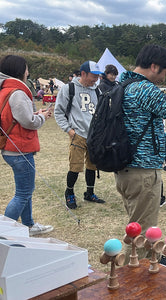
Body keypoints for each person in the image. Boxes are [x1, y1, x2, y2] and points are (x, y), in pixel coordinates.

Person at [115, 44, 166, 262]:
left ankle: (153, 259)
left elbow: (143, 128)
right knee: (141, 229)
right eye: (165, 73)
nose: (163, 78)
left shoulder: (123, 85)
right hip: (142, 170)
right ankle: (139, 273)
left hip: (126, 169)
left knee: (138, 222)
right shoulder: (143, 88)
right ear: (154, 66)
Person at [0, 55, 54, 236]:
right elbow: (28, 122)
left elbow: (17, 116)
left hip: (12, 148)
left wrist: (34, 114)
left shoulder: (6, 90)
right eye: (26, 68)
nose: (28, 72)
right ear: (20, 70)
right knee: (23, 192)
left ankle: (28, 225)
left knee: (25, 190)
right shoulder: (17, 92)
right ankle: (5, 233)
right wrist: (42, 117)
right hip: (19, 149)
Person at [55, 61, 106, 209]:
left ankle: (89, 192)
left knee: (92, 165)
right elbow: (59, 112)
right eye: (93, 76)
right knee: (75, 167)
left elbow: (101, 113)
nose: (96, 79)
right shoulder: (69, 88)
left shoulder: (97, 91)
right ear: (83, 74)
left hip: (94, 136)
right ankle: (69, 193)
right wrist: (69, 130)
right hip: (77, 134)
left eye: (98, 76)